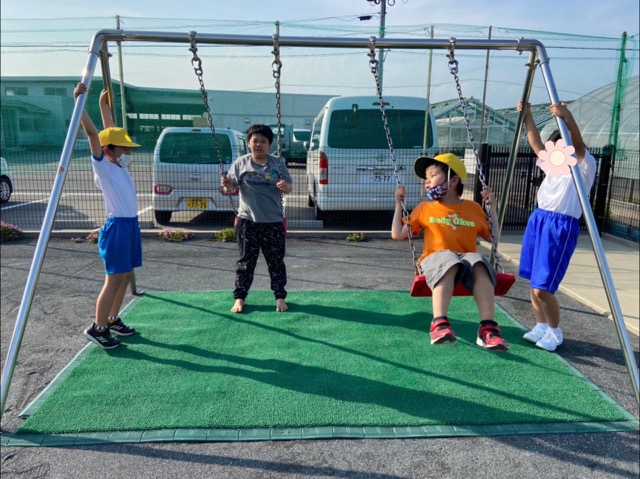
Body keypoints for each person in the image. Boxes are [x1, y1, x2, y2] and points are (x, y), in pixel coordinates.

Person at [392, 153, 509, 351]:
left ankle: (488, 329)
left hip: (465, 262)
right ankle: (439, 324)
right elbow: (397, 234)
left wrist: (493, 209)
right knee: (448, 258)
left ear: (453, 180)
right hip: (434, 260)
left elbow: (494, 239)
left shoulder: (473, 208)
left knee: (479, 260)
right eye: (426, 179)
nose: (427, 182)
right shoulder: (425, 209)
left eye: (432, 176)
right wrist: (398, 204)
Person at [518, 101, 597, 351]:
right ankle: (541, 325)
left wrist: (567, 116)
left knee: (543, 286)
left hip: (560, 226)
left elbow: (580, 146)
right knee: (533, 280)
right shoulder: (553, 167)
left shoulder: (584, 165)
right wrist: (528, 116)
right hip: (540, 219)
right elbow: (535, 143)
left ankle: (555, 331)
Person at [74, 82, 142, 349]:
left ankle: (112, 319)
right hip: (117, 228)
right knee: (114, 278)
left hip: (131, 225)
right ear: (109, 150)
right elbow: (94, 135)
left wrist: (103, 106)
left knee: (125, 275)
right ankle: (98, 327)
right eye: (124, 149)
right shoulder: (103, 165)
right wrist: (81, 104)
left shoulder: (119, 164)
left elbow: (109, 132)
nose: (129, 152)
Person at [220, 123, 293, 313]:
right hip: (248, 222)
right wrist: (227, 184)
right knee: (245, 263)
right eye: (255, 141)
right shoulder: (241, 163)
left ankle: (279, 297)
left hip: (273, 222)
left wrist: (285, 186)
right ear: (249, 143)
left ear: (269, 144)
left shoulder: (277, 163)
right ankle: (240, 298)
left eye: (263, 141)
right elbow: (231, 188)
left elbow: (290, 187)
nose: (259, 144)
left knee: (276, 262)